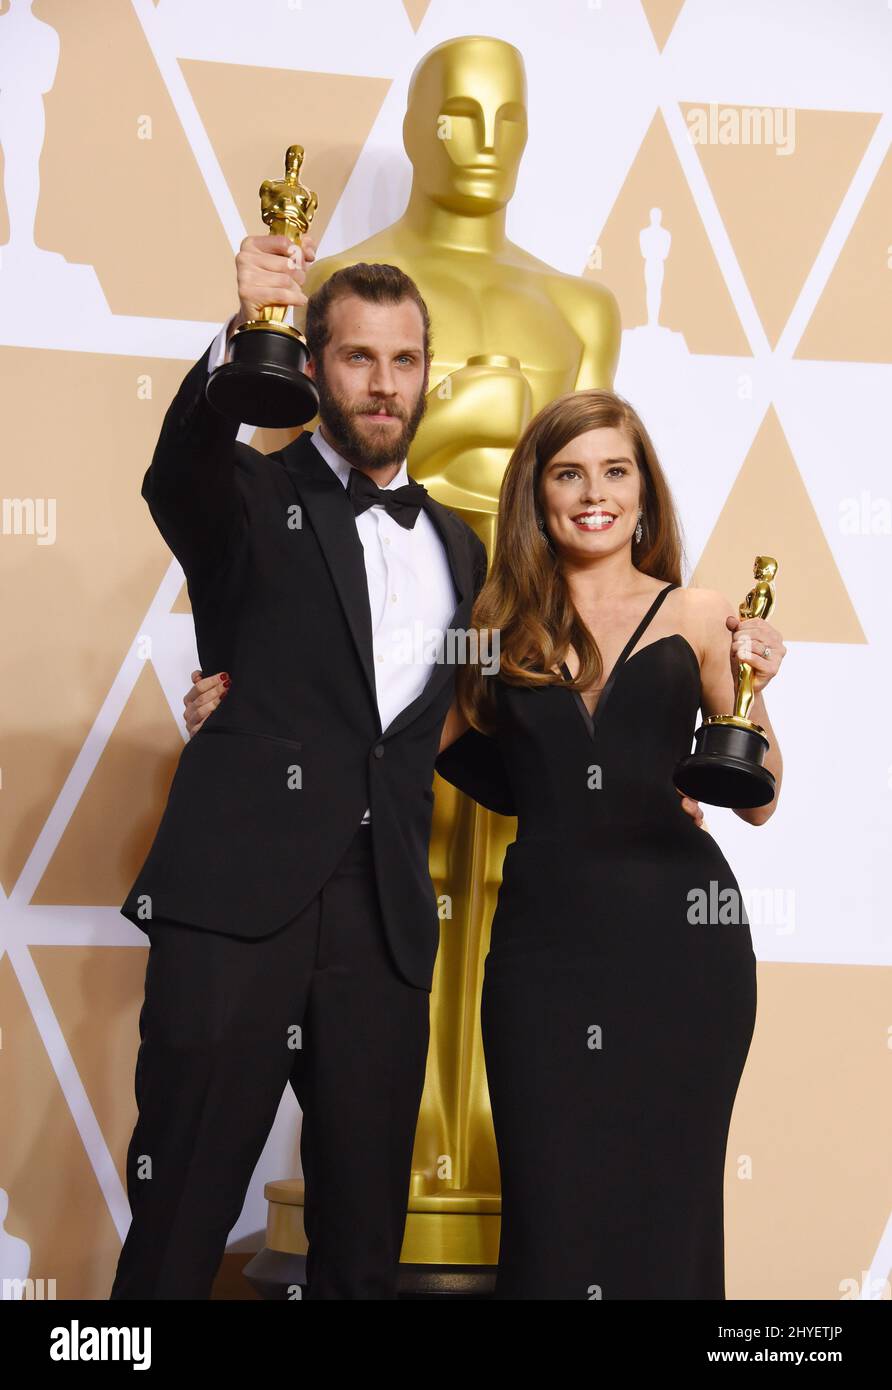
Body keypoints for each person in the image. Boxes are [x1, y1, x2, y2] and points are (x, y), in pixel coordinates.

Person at [187, 386, 781, 1299]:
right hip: (544, 955)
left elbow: (762, 799)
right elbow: (394, 740)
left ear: (644, 491)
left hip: (684, 950)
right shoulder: (496, 629)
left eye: (616, 471)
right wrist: (237, 714)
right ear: (537, 496)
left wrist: (757, 682)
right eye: (569, 473)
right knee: (552, 1202)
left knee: (673, 1201)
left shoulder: (703, 615)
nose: (595, 493)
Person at [111, 236, 500, 1299]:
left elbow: (455, 726)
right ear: (315, 367)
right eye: (358, 357)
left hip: (381, 924)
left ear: (428, 372)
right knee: (182, 1211)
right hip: (239, 902)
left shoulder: (464, 551)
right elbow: (173, 471)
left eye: (404, 359)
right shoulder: (241, 492)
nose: (383, 383)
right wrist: (246, 328)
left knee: (366, 1239)